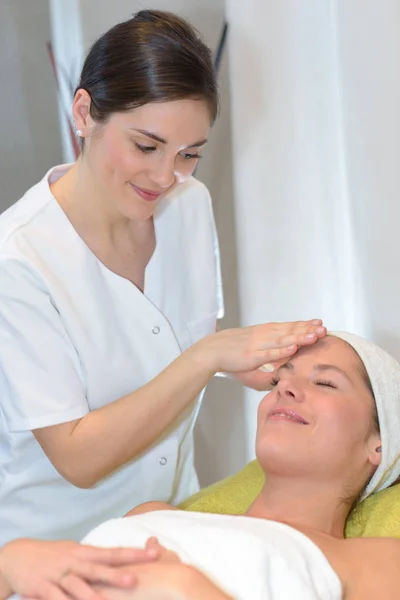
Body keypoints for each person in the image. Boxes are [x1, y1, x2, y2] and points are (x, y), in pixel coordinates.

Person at [0, 8, 326, 546]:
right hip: (55, 551)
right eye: (146, 146)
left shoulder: (187, 206)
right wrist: (209, 357)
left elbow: (183, 345)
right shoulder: (20, 261)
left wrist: (259, 362)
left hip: (171, 523)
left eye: (189, 153)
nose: (163, 176)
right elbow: (77, 456)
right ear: (84, 112)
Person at [2, 331, 397, 600]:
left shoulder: (368, 560)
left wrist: (188, 590)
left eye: (325, 383)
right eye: (279, 379)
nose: (286, 389)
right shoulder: (152, 515)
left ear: (379, 443)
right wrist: (11, 564)